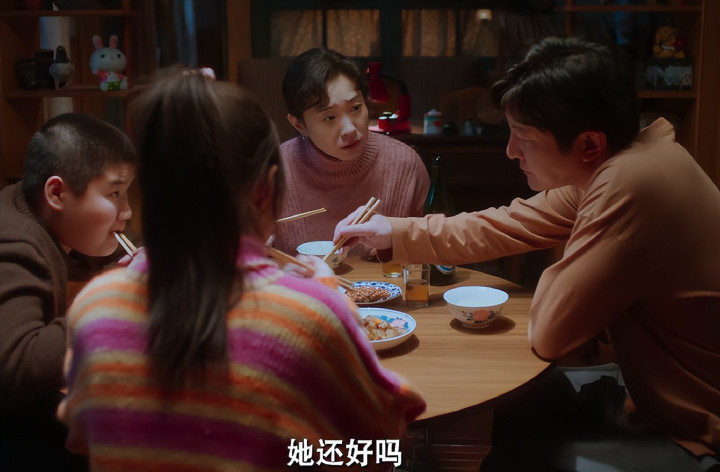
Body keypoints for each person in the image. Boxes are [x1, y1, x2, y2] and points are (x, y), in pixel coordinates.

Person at [333, 36, 720, 472]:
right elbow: (507, 223)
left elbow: (550, 332)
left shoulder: (631, 185)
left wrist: (578, 250)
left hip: (695, 435)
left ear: (589, 144)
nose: (511, 151)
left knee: (512, 460)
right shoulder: (626, 160)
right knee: (522, 402)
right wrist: (395, 231)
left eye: (524, 137)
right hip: (649, 402)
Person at [57, 66, 426, 471]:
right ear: (267, 188)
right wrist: (334, 303)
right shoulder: (310, 314)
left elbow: (86, 436)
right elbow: (380, 448)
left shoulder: (94, 306)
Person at [0, 112, 137, 472]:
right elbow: (17, 371)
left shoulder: (39, 212)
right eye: (115, 193)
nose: (127, 211)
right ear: (57, 193)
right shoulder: (16, 244)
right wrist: (116, 295)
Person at [272, 47, 430, 256]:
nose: (349, 129)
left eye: (355, 108)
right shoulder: (275, 172)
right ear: (299, 125)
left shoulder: (405, 165)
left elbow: (431, 256)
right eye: (330, 117)